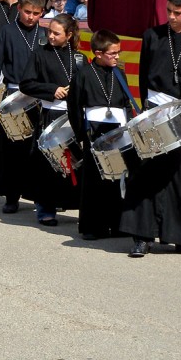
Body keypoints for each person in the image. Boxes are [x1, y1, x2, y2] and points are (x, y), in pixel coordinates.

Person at [122, 0, 181, 258]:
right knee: (147, 174)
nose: (171, 17)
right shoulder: (152, 36)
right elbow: (142, 77)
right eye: (169, 11)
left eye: (177, 12)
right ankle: (142, 236)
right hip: (155, 113)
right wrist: (148, 112)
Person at [0, 0, 45, 214]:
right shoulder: (7, 32)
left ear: (42, 13)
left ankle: (39, 197)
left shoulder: (45, 35)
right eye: (27, 12)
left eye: (36, 13)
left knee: (37, 150)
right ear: (19, 9)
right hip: (14, 96)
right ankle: (12, 196)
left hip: (41, 98)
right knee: (13, 150)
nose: (31, 17)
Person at [19, 13, 83, 226]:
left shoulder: (79, 57)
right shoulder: (40, 53)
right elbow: (26, 84)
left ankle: (66, 201)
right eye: (50, 32)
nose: (51, 36)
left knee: (71, 162)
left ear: (69, 35)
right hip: (50, 113)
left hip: (72, 115)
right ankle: (46, 208)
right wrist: (51, 90)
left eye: (56, 33)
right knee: (47, 164)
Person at [66, 29, 130, 240]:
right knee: (94, 182)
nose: (117, 57)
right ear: (98, 53)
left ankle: (118, 224)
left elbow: (126, 104)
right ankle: (93, 226)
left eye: (118, 52)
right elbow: (74, 107)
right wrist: (81, 135)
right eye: (113, 53)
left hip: (117, 131)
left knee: (117, 181)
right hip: (94, 131)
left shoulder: (119, 73)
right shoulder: (83, 74)